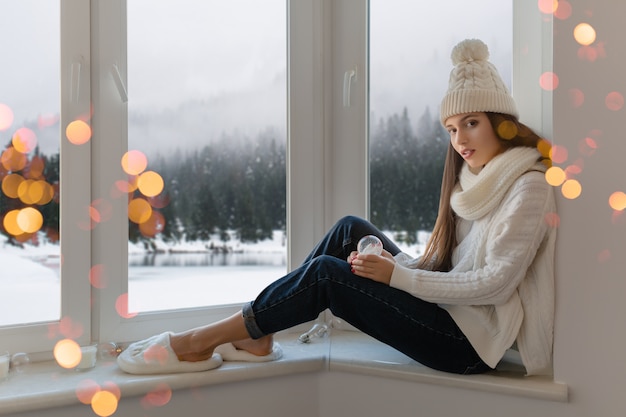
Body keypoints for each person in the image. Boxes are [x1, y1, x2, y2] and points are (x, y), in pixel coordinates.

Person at [117, 38, 556, 377]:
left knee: (329, 274)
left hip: (468, 346)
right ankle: (259, 334)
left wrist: (398, 276)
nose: (460, 140)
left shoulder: (528, 186)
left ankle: (198, 340)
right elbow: (448, 272)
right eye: (451, 128)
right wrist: (396, 262)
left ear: (503, 121)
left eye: (471, 123)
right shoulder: (473, 181)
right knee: (350, 228)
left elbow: (495, 285)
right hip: (449, 317)